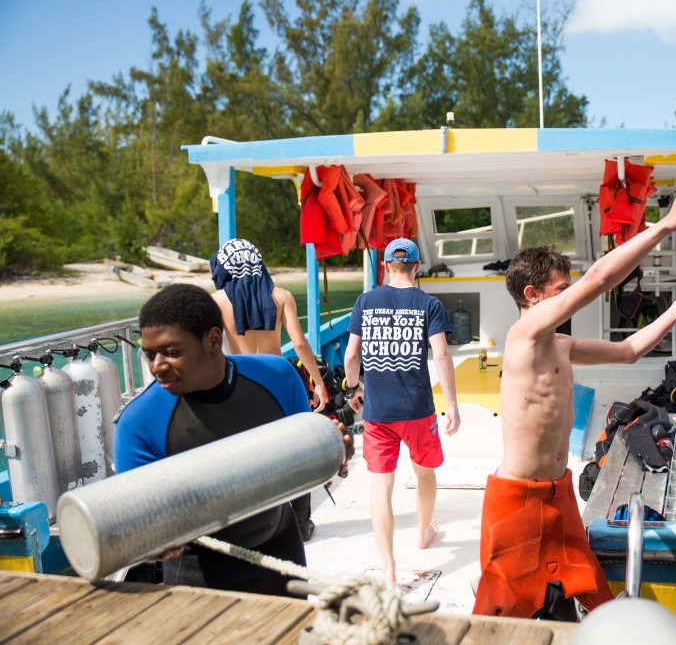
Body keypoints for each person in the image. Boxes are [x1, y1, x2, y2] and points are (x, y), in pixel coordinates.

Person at [472, 188, 676, 620]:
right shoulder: (524, 336)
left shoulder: (560, 344)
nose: (571, 295)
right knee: (504, 615)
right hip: (516, 501)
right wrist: (664, 226)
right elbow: (600, 278)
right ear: (533, 294)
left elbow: (630, 352)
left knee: (591, 596)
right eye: (561, 289)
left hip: (559, 493)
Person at [113, 283, 318, 597]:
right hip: (197, 571)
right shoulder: (138, 423)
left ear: (212, 339)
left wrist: (333, 449)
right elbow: (135, 519)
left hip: (280, 549)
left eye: (172, 352)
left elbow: (307, 458)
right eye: (150, 355)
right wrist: (150, 540)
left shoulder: (278, 378)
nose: (157, 367)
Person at [343, 237, 461, 584]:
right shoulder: (429, 304)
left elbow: (351, 356)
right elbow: (441, 355)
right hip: (418, 409)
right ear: (417, 266)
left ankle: (388, 567)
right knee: (424, 473)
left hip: (377, 412)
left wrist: (353, 387)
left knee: (381, 487)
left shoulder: (365, 302)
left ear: (385, 266)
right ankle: (424, 532)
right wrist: (452, 405)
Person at [210, 237, 334, 542]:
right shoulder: (281, 296)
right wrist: (319, 384)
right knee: (297, 450)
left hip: (239, 380)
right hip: (280, 377)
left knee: (250, 452)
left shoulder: (216, 301)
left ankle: (258, 523)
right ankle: (302, 523)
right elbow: (301, 344)